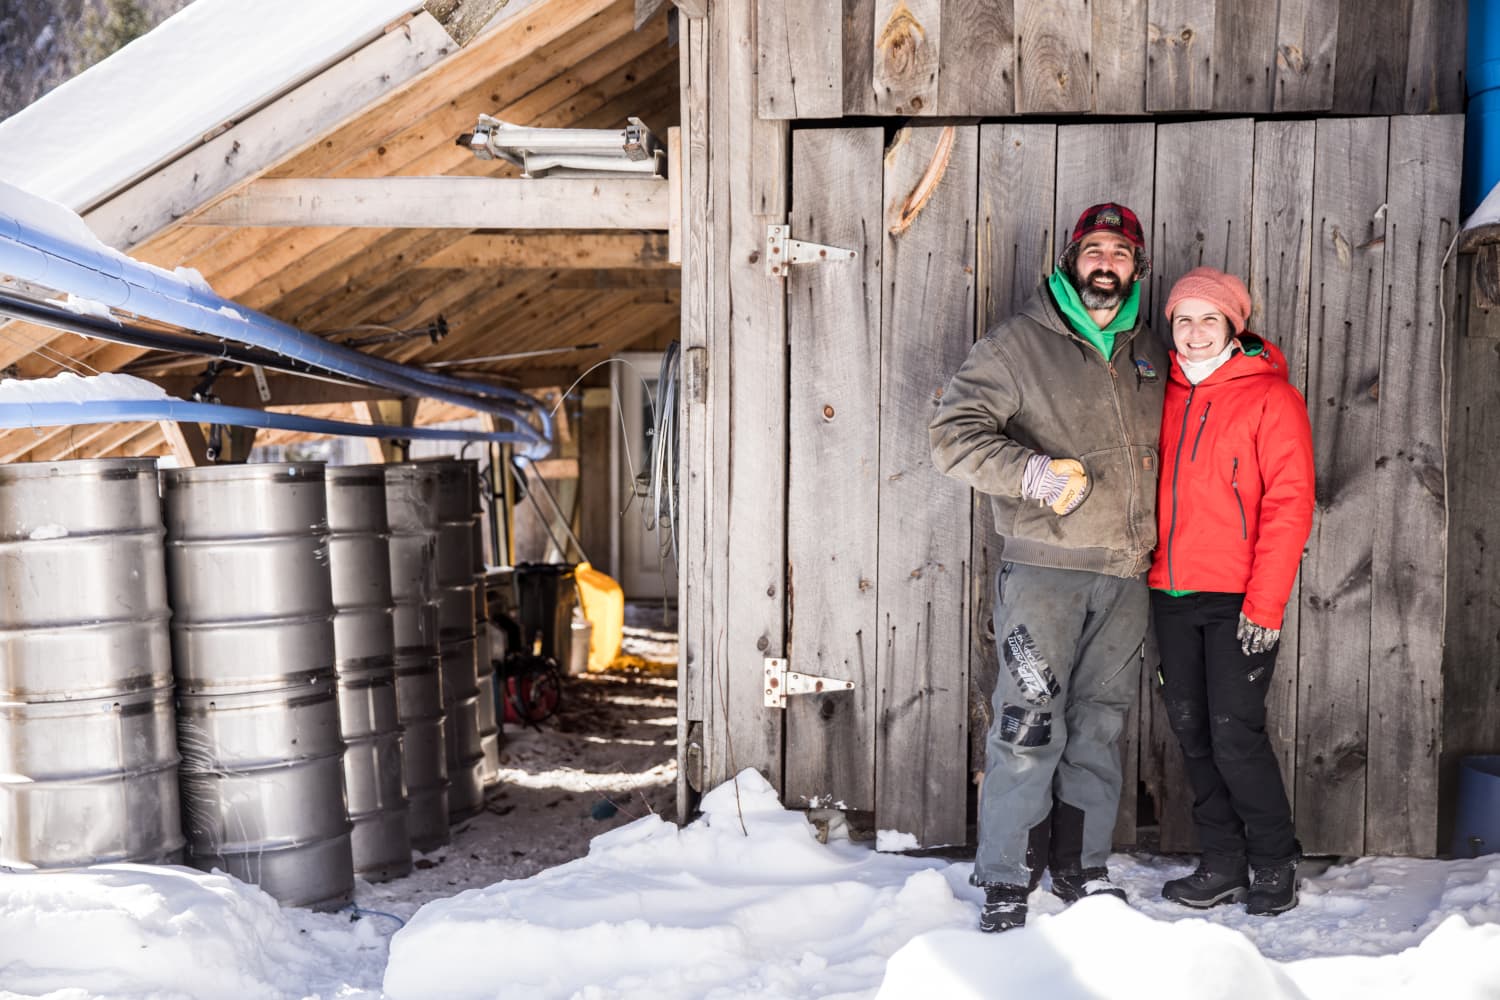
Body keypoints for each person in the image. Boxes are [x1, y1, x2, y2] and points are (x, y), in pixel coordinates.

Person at [930, 203, 1167, 932]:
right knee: (1028, 723)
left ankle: (1083, 866)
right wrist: (1032, 474)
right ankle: (1006, 873)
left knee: (1099, 724)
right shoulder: (1016, 346)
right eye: (1094, 249)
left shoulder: (1149, 350)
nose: (1107, 263)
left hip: (1125, 574)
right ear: (1070, 260)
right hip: (1045, 573)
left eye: (1121, 253)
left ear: (1136, 268)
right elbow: (952, 438)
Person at [1148, 266, 1314, 916]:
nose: (1193, 332)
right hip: (1169, 592)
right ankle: (1221, 863)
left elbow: (1290, 503)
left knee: (1234, 734)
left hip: (1239, 598)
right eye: (1183, 318)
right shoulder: (1157, 391)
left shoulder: (1270, 398)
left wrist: (1265, 603)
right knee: (1191, 732)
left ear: (1232, 327)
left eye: (1207, 319)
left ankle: (1274, 861)